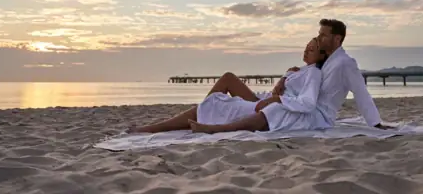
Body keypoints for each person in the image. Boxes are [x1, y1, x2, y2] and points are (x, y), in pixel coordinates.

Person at [189, 19, 389, 133]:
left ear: (337, 39)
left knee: (275, 109)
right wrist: (285, 79)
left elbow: (362, 94)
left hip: (319, 116)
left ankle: (217, 129)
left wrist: (375, 123)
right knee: (268, 104)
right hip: (303, 106)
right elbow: (303, 81)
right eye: (318, 35)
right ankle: (212, 114)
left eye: (323, 36)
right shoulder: (324, 61)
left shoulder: (345, 63)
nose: (318, 39)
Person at [129, 37, 325, 134]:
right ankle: (203, 113)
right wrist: (283, 79)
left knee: (215, 103)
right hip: (264, 98)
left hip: (272, 104)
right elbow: (281, 87)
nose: (306, 50)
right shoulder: (299, 69)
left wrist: (277, 98)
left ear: (322, 55)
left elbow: (306, 102)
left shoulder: (314, 73)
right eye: (306, 47)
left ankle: (154, 128)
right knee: (228, 78)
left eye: (312, 49)